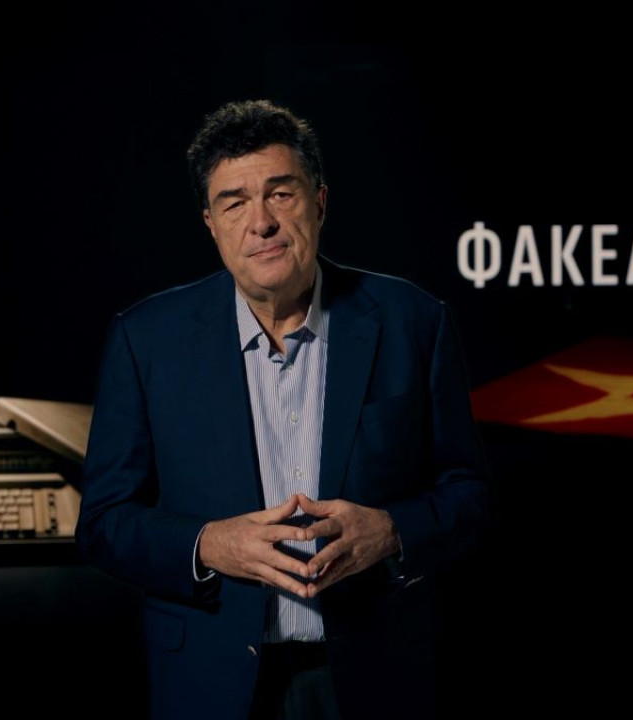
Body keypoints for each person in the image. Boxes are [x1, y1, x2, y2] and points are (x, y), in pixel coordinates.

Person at [77, 99, 491, 720]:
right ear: (210, 223)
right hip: (209, 680)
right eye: (234, 203)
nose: (261, 223)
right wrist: (208, 544)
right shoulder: (145, 340)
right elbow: (104, 524)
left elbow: (470, 494)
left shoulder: (414, 322)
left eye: (281, 194)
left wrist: (392, 529)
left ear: (319, 203)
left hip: (374, 674)